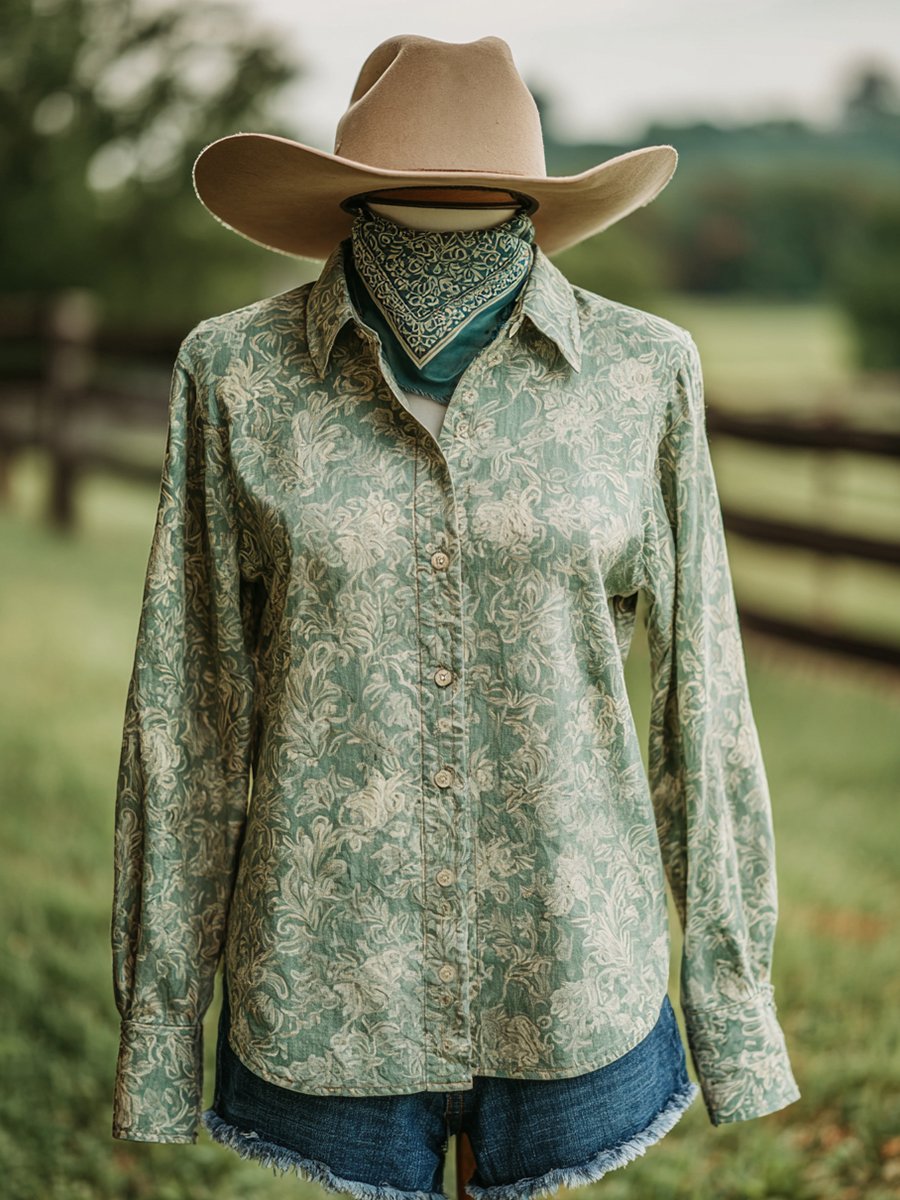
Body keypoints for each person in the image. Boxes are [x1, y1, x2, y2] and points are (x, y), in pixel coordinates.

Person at [110, 33, 801, 1200]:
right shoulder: (233, 377)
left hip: (579, 981)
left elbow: (708, 704)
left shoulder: (645, 376)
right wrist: (165, 1030)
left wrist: (733, 1009)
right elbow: (187, 725)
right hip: (324, 994)